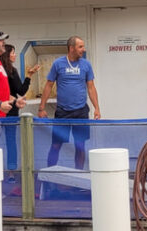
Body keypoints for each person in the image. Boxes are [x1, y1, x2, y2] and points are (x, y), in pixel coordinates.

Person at [38, 36, 101, 169]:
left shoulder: (86, 64)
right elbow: (49, 85)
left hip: (81, 111)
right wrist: (41, 108)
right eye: (80, 47)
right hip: (62, 112)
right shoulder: (58, 64)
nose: (83, 50)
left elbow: (91, 87)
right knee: (56, 145)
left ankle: (79, 178)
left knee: (80, 146)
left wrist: (97, 108)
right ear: (71, 48)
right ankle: (49, 177)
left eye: (83, 47)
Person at [0, 43, 41, 117]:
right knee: (10, 127)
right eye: (13, 53)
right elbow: (21, 91)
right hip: (10, 106)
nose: (15, 55)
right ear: (7, 55)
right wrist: (29, 75)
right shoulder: (11, 70)